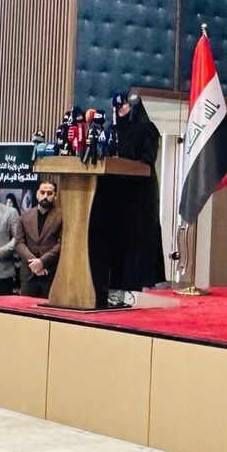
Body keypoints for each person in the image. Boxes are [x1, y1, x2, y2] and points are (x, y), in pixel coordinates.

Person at [93, 91, 165, 306]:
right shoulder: (112, 130)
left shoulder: (147, 129)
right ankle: (112, 290)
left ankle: (133, 290)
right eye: (118, 107)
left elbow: (147, 159)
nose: (121, 110)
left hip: (138, 196)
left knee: (135, 243)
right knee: (114, 241)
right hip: (116, 195)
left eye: (125, 105)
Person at [18, 179, 63, 299]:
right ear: (37, 194)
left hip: (51, 273)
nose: (45, 196)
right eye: (42, 192)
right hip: (29, 274)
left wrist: (42, 262)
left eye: (49, 193)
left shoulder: (62, 217)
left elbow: (61, 244)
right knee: (25, 309)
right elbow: (19, 243)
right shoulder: (25, 216)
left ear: (55, 196)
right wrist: (35, 263)